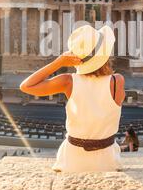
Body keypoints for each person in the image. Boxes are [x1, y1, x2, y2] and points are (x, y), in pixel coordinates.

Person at [20, 25, 125, 172]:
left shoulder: (68, 81)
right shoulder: (117, 81)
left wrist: (59, 62)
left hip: (72, 159)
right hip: (107, 159)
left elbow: (26, 86)